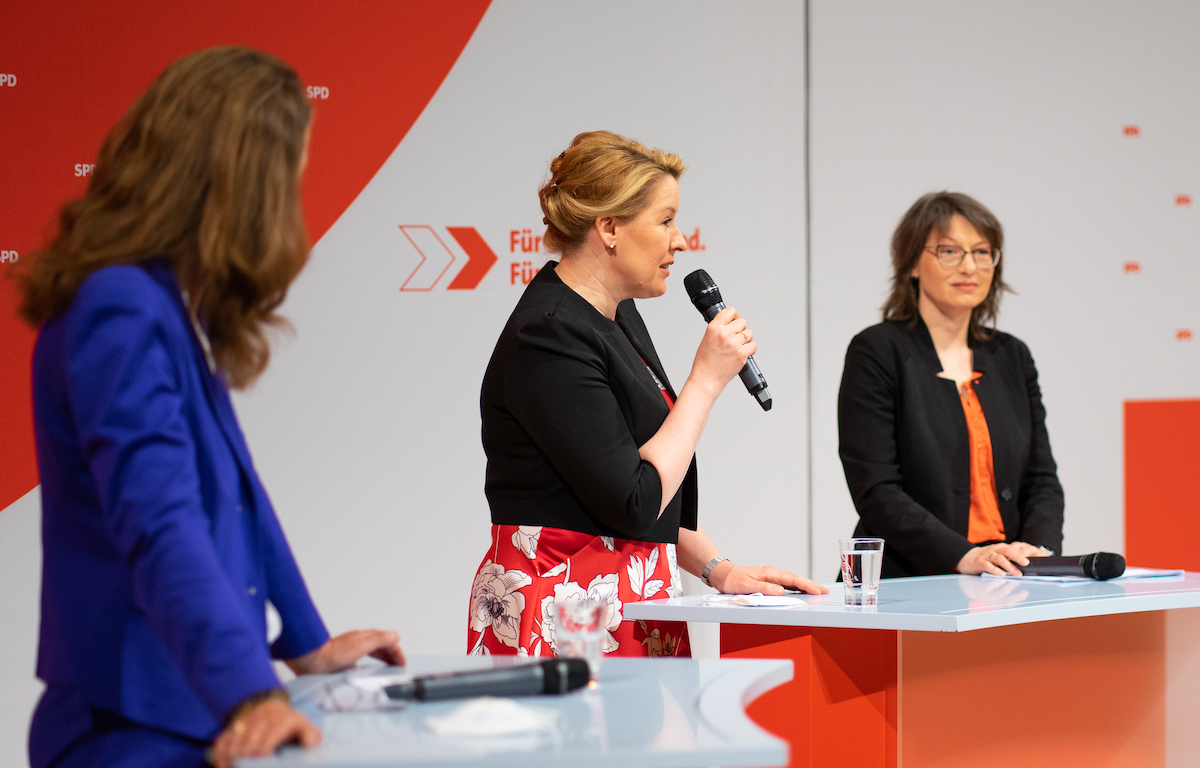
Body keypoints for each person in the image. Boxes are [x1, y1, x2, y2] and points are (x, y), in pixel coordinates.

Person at [17, 47, 404, 768]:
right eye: (290, 176)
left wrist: (305, 644)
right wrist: (249, 693)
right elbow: (160, 525)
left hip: (185, 708)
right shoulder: (121, 307)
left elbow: (239, 497)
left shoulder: (162, 306)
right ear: (244, 182)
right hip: (131, 722)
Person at [468, 131, 826, 659]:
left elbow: (620, 489)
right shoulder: (547, 334)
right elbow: (632, 500)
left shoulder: (617, 315)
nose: (680, 241)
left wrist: (719, 570)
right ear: (609, 227)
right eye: (665, 221)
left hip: (629, 597)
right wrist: (704, 381)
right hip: (562, 613)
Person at [837, 191, 1065, 579]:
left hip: (1005, 578)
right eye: (949, 251)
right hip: (908, 579)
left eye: (981, 252)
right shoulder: (877, 351)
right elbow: (876, 490)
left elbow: (1042, 478)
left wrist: (1036, 553)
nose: (969, 266)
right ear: (911, 262)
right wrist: (963, 556)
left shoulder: (1012, 355)